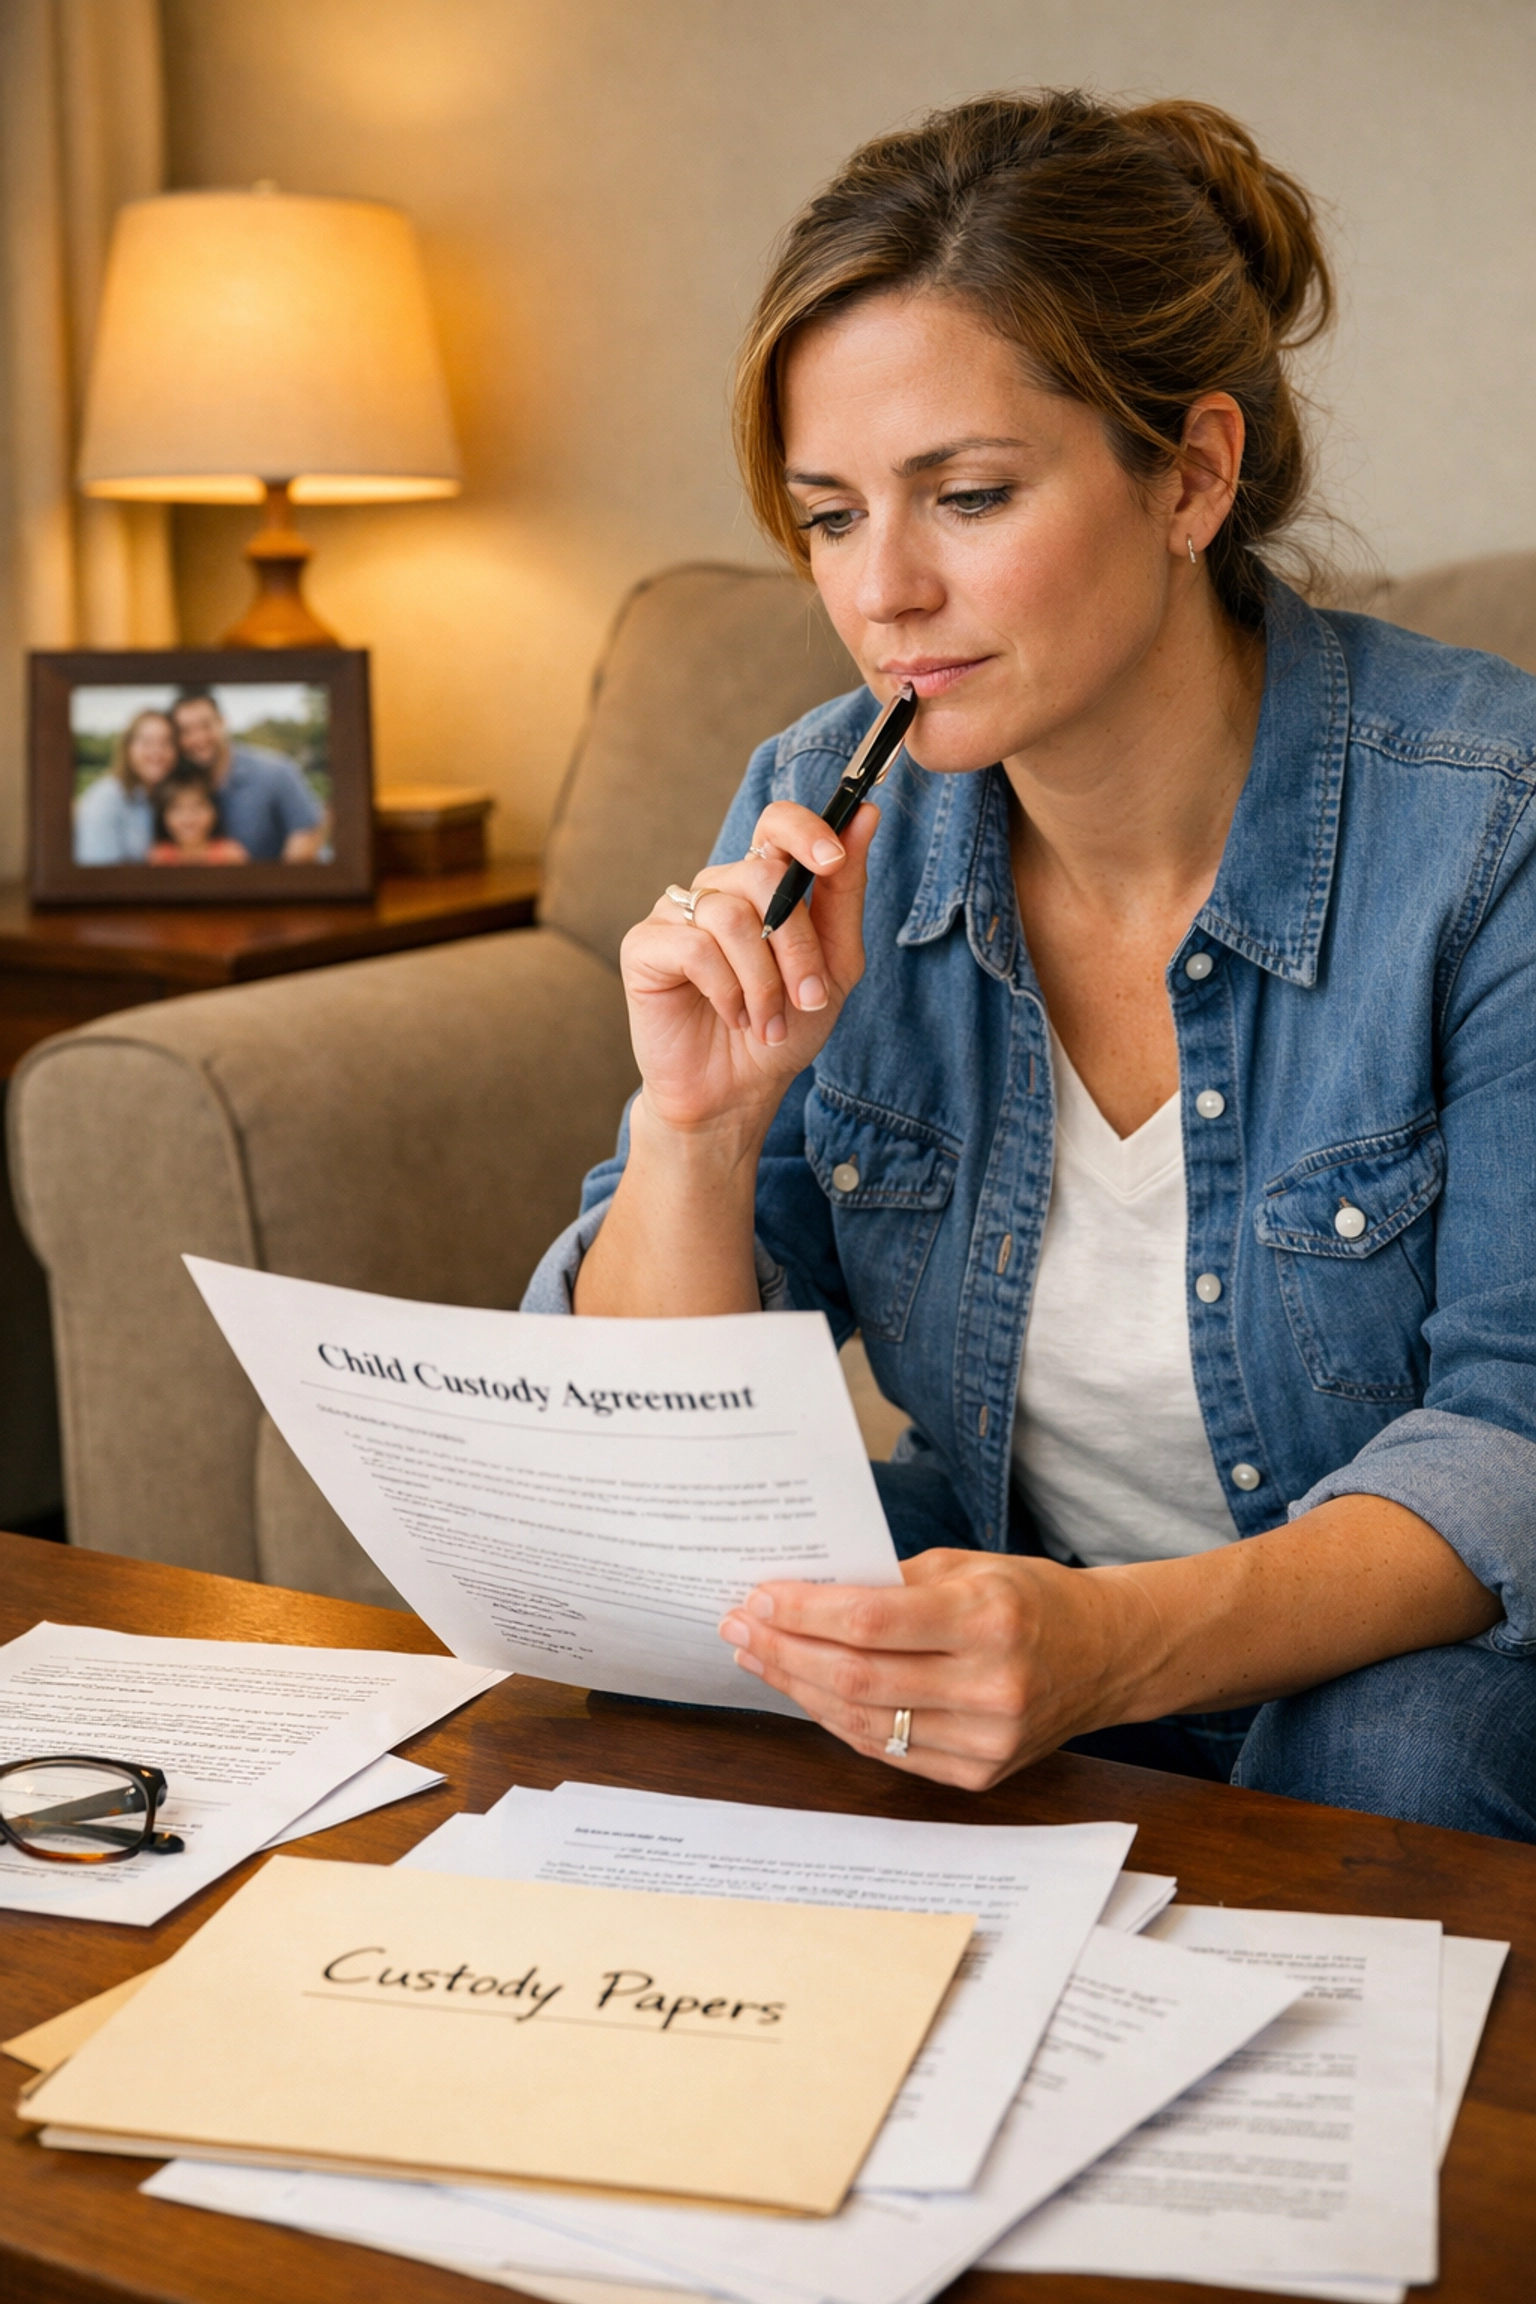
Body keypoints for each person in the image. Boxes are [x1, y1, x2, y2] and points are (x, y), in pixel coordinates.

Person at [526, 92, 1536, 1839]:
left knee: (1391, 1750)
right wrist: (694, 1126)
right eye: (829, 515)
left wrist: (1105, 1646)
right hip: (1030, 1588)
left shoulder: (1487, 827)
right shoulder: (813, 802)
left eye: (968, 495)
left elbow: (1514, 1438)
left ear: (1192, 474)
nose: (884, 592)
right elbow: (656, 1454)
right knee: (688, 1666)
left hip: (1389, 1644)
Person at [169, 691, 328, 862]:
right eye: (186, 731)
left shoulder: (275, 772)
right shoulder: (179, 785)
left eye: (206, 726)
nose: (198, 738)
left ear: (223, 722)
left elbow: (307, 835)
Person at [72, 707, 178, 864]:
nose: (157, 751)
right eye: (146, 742)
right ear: (128, 747)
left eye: (165, 742)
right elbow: (100, 876)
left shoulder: (157, 798)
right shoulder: (108, 798)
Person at [146, 766, 250, 864]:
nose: (188, 818)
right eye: (177, 808)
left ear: (214, 811)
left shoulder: (230, 856)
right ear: (163, 816)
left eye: (198, 806)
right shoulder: (159, 857)